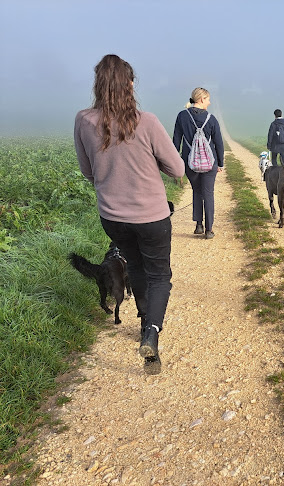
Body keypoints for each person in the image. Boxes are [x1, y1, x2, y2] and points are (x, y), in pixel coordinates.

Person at [74, 54, 185, 374]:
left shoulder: (83, 120)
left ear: (98, 85)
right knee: (160, 275)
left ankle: (142, 325)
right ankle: (151, 331)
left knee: (135, 266)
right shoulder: (146, 121)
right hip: (151, 217)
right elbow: (176, 167)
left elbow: (87, 171)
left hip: (112, 217)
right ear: (130, 85)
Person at [173, 87, 225, 239]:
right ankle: (209, 230)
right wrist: (220, 164)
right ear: (202, 99)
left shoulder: (182, 116)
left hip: (190, 162)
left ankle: (198, 225)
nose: (209, 102)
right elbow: (219, 143)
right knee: (208, 193)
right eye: (208, 99)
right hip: (210, 163)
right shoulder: (212, 119)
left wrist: (175, 162)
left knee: (197, 191)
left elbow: (176, 141)